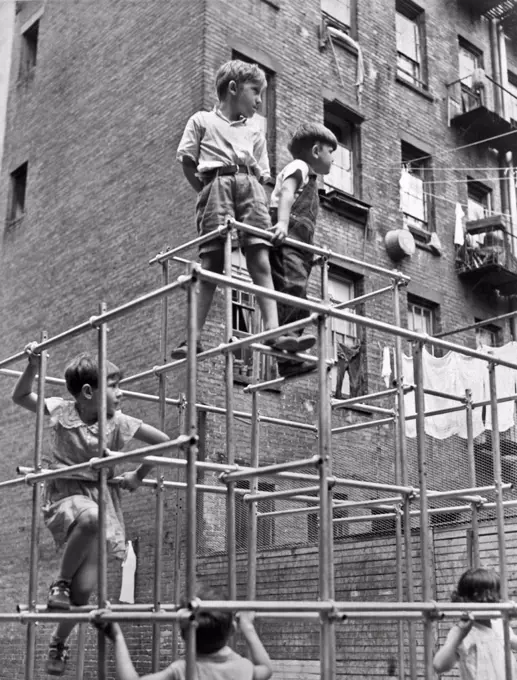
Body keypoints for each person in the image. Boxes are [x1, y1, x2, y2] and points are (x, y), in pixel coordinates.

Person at [12, 346, 170, 677]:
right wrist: (33, 366)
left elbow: (164, 442)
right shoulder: (60, 411)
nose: (121, 392)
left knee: (82, 596)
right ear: (87, 392)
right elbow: (21, 395)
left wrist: (137, 476)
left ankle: (58, 640)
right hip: (66, 497)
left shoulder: (118, 421)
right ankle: (60, 582)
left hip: (102, 501)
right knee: (91, 517)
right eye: (113, 385)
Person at [173, 59, 295, 359]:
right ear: (233, 88)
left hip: (250, 188)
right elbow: (188, 162)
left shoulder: (255, 132)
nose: (259, 101)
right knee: (212, 261)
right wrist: (207, 191)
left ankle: (273, 331)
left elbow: (263, 175)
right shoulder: (202, 121)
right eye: (255, 92)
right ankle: (193, 337)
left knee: (260, 259)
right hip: (217, 184)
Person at [268, 122, 337, 378]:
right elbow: (286, 193)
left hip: (300, 247)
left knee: (298, 292)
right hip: (288, 241)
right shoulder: (299, 168)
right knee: (292, 287)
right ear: (317, 150)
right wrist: (283, 224)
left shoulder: (311, 179)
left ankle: (290, 357)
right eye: (332, 152)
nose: (333, 159)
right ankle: (285, 335)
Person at [95, 585, 273, 680]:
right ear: (233, 629)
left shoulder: (182, 671)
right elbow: (266, 668)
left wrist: (116, 636)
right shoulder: (243, 668)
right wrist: (248, 627)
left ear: (183, 635)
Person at [433, 567, 517, 679]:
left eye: (494, 599)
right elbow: (439, 666)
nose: (490, 604)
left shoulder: (499, 624)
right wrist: (459, 635)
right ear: (464, 601)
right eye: (481, 600)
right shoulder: (463, 631)